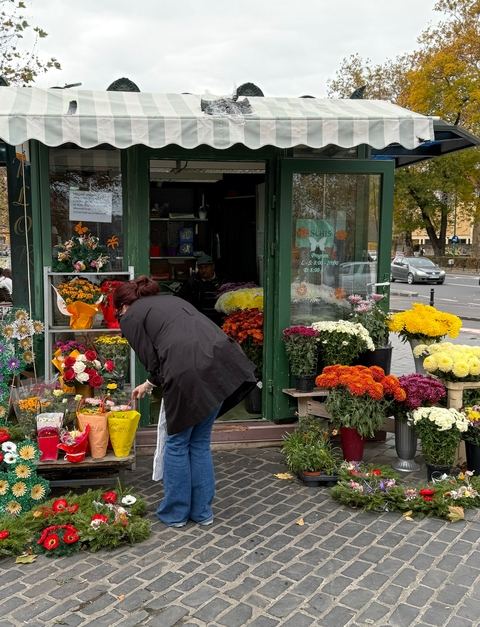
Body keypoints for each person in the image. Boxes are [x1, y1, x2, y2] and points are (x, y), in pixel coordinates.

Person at [113, 276, 256, 528]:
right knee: (199, 442)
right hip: (221, 364)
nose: (119, 315)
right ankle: (202, 512)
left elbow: (153, 361)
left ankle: (176, 513)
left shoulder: (132, 316)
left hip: (186, 373)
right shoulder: (171, 301)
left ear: (124, 305)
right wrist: (148, 385)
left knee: (177, 442)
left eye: (117, 311)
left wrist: (151, 379)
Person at [176, 253, 227, 326]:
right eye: (200, 267)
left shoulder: (223, 280)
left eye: (206, 267)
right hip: (200, 320)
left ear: (213, 266)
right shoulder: (192, 281)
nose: (203, 270)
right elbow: (179, 297)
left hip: (220, 320)